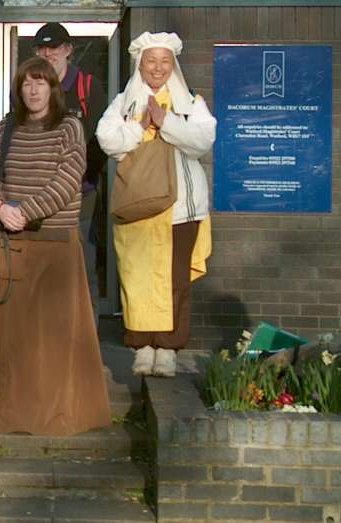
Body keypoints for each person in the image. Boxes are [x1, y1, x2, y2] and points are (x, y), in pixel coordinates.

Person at [0, 57, 111, 436]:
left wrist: (27, 213)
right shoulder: (7, 127)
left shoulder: (70, 126)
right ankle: (17, 417)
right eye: (26, 84)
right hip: (14, 244)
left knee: (56, 339)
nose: (33, 90)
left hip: (54, 243)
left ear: (52, 88)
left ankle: (60, 418)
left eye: (40, 82)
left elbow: (68, 179)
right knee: (15, 340)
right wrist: (2, 208)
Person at [96, 32, 214, 378]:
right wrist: (141, 126)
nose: (158, 68)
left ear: (173, 64)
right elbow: (108, 139)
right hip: (138, 207)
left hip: (182, 209)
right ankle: (142, 345)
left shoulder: (190, 102)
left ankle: (168, 348)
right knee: (137, 279)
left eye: (165, 61)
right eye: (151, 60)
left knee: (175, 280)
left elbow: (203, 140)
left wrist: (167, 123)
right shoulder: (125, 102)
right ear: (140, 63)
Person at [33, 22, 107, 326]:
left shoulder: (87, 87)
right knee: (44, 270)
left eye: (55, 47)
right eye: (42, 48)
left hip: (80, 195)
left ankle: (86, 341)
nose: (48, 54)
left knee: (82, 269)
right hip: (39, 198)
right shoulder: (31, 86)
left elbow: (100, 142)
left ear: (68, 50)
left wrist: (73, 181)